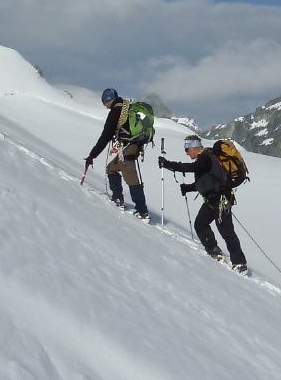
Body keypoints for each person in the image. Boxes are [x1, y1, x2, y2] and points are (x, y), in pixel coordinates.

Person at [159, 135, 248, 272]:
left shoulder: (205, 157)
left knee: (226, 230)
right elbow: (207, 181)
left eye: (187, 149)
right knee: (200, 224)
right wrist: (189, 187)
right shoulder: (207, 158)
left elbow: (193, 167)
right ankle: (214, 250)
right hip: (212, 199)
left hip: (221, 198)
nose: (186, 152)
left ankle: (239, 262)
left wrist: (169, 164)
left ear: (194, 148)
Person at [84, 88, 150, 220]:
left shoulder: (116, 111)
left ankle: (142, 211)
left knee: (131, 178)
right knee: (111, 168)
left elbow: (105, 136)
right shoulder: (126, 106)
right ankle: (118, 198)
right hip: (133, 146)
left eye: (105, 102)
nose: (105, 106)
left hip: (128, 148)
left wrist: (92, 155)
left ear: (108, 100)